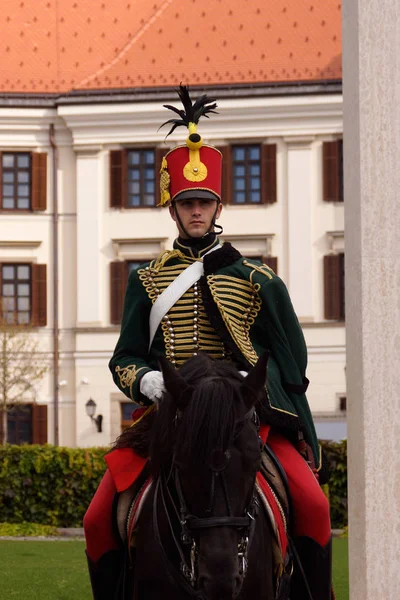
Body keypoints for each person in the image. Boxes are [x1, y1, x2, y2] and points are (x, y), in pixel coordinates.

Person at [84, 85, 332, 600]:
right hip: (172, 416)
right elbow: (124, 358)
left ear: (217, 204)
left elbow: (292, 358)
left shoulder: (257, 279)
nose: (196, 211)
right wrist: (149, 382)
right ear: (173, 210)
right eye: (186, 203)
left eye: (204, 202)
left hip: (244, 416)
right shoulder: (147, 279)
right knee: (95, 519)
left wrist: (253, 387)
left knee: (312, 503)